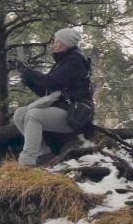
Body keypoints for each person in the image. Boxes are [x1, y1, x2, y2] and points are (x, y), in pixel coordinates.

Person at [13, 28, 93, 166]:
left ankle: (27, 161)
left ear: (67, 42)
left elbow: (51, 81)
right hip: (62, 110)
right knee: (20, 114)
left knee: (33, 115)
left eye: (58, 41)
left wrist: (27, 71)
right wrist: (26, 78)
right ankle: (44, 153)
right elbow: (46, 91)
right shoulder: (62, 63)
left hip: (73, 115)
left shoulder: (75, 61)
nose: (55, 44)